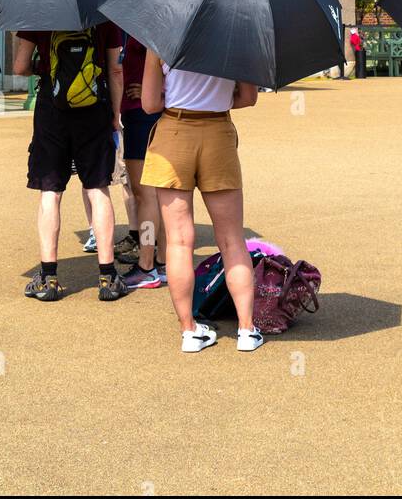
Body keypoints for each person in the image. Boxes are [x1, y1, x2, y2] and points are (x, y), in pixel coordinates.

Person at [140, 52, 262, 353]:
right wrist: (216, 99)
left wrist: (180, 94)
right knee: (232, 239)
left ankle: (189, 330)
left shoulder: (161, 38)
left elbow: (150, 104)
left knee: (179, 241)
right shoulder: (237, 35)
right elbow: (248, 97)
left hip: (174, 131)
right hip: (218, 131)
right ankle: (247, 329)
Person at [14, 24, 128, 303]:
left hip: (51, 109)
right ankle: (108, 277)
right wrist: (115, 115)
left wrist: (41, 68)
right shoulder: (103, 15)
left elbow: (19, 67)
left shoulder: (37, 15)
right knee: (98, 188)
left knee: (51, 191)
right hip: (94, 107)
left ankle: (48, 277)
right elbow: (115, 70)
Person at [115, 32, 168, 291]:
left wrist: (159, 90)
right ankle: (162, 261)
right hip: (141, 113)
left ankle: (147, 265)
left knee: (145, 195)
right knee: (157, 196)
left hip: (142, 114)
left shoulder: (146, 25)